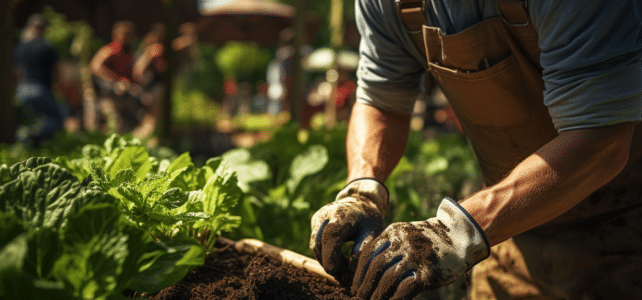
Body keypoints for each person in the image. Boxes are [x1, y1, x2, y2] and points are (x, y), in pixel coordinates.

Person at [309, 1, 642, 299]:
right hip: (509, 232)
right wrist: (363, 189)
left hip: (626, 229)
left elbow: (603, 139)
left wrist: (455, 232)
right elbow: (383, 100)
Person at [13, 13, 67, 145]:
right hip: (40, 89)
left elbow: (16, 71)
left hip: (23, 89)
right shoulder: (47, 47)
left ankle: (27, 141)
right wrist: (59, 86)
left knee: (32, 119)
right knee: (59, 116)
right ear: (44, 29)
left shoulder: (21, 47)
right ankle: (34, 137)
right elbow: (58, 70)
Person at [90, 20, 143, 133]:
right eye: (125, 34)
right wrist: (117, 80)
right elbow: (95, 66)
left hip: (127, 89)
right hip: (110, 87)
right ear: (116, 35)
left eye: (129, 35)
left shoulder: (130, 53)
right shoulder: (110, 50)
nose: (127, 38)